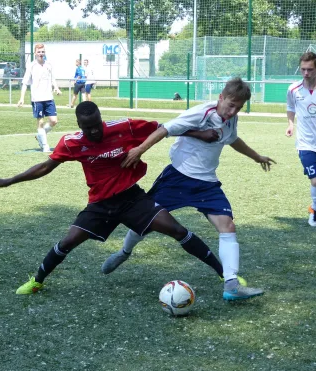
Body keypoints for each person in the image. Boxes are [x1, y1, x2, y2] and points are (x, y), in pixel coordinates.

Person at [0, 101, 237, 298]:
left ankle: (223, 274)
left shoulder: (123, 127)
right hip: (100, 205)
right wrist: (9, 180)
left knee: (177, 229)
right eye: (89, 128)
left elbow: (165, 128)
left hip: (132, 198)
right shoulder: (72, 142)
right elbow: (45, 167)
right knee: (68, 241)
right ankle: (36, 281)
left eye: (98, 124)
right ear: (79, 124)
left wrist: (199, 134)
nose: (95, 131)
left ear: (101, 119)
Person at [103, 77, 273, 301]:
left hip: (207, 184)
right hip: (178, 178)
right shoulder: (201, 113)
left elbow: (232, 140)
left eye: (239, 107)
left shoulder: (231, 119)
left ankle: (231, 283)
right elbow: (166, 129)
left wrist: (256, 156)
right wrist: (140, 150)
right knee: (145, 220)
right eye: (231, 105)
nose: (233, 111)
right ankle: (124, 252)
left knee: (227, 226)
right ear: (221, 97)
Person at [286, 52, 316, 227]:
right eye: (303, 69)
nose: (306, 73)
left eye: (310, 69)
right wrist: (290, 124)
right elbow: (290, 107)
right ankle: (314, 210)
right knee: (315, 179)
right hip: (305, 144)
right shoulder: (293, 89)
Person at [18, 43, 61, 153]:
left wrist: (56, 88)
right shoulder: (31, 66)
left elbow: (53, 79)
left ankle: (40, 136)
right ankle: (45, 146)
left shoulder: (49, 65)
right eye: (39, 52)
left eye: (42, 52)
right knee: (40, 122)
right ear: (35, 53)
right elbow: (25, 83)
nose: (41, 54)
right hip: (37, 99)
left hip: (49, 97)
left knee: (54, 121)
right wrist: (22, 98)